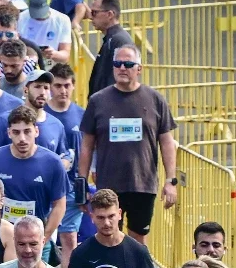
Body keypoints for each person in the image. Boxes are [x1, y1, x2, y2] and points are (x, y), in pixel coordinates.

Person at [76, 45, 177, 244]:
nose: (122, 68)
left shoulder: (155, 99)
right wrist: (81, 185)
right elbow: (87, 146)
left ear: (139, 68)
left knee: (138, 239)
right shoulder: (98, 101)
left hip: (143, 184)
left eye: (128, 64)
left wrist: (171, 181)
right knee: (109, 236)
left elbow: (167, 142)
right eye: (117, 63)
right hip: (109, 185)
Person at [65, 189, 156, 268]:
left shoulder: (138, 250)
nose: (106, 223)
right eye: (101, 217)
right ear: (92, 217)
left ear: (119, 214)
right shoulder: (80, 253)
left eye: (111, 216)